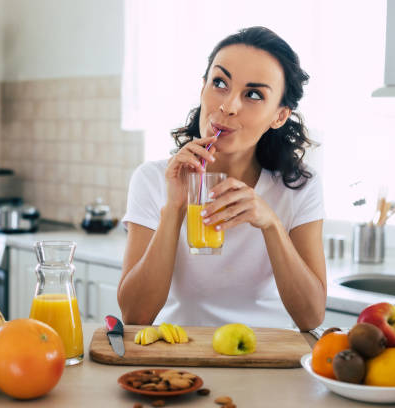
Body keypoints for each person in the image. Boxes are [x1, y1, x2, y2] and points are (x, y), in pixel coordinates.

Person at [118, 26, 326, 331]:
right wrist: (175, 208)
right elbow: (135, 316)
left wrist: (270, 223)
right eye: (219, 83)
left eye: (253, 94)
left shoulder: (299, 187)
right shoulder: (152, 180)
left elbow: (311, 317)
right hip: (178, 355)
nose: (228, 106)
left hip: (267, 359)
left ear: (279, 116)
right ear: (203, 87)